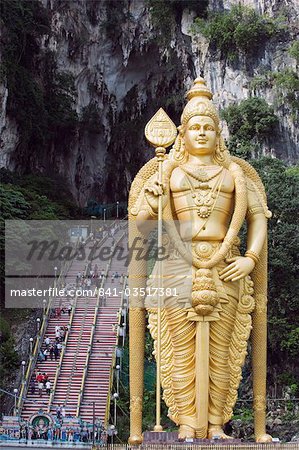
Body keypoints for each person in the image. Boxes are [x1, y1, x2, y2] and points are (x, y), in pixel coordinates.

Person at [128, 78, 272, 443]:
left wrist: (250, 258)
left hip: (226, 265)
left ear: (218, 132)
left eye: (209, 127)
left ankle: (216, 424)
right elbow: (140, 219)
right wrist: (152, 194)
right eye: (195, 127)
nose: (202, 133)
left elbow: (257, 218)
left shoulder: (235, 174)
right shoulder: (166, 172)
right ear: (183, 132)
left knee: (223, 350)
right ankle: (187, 422)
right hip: (177, 265)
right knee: (180, 348)